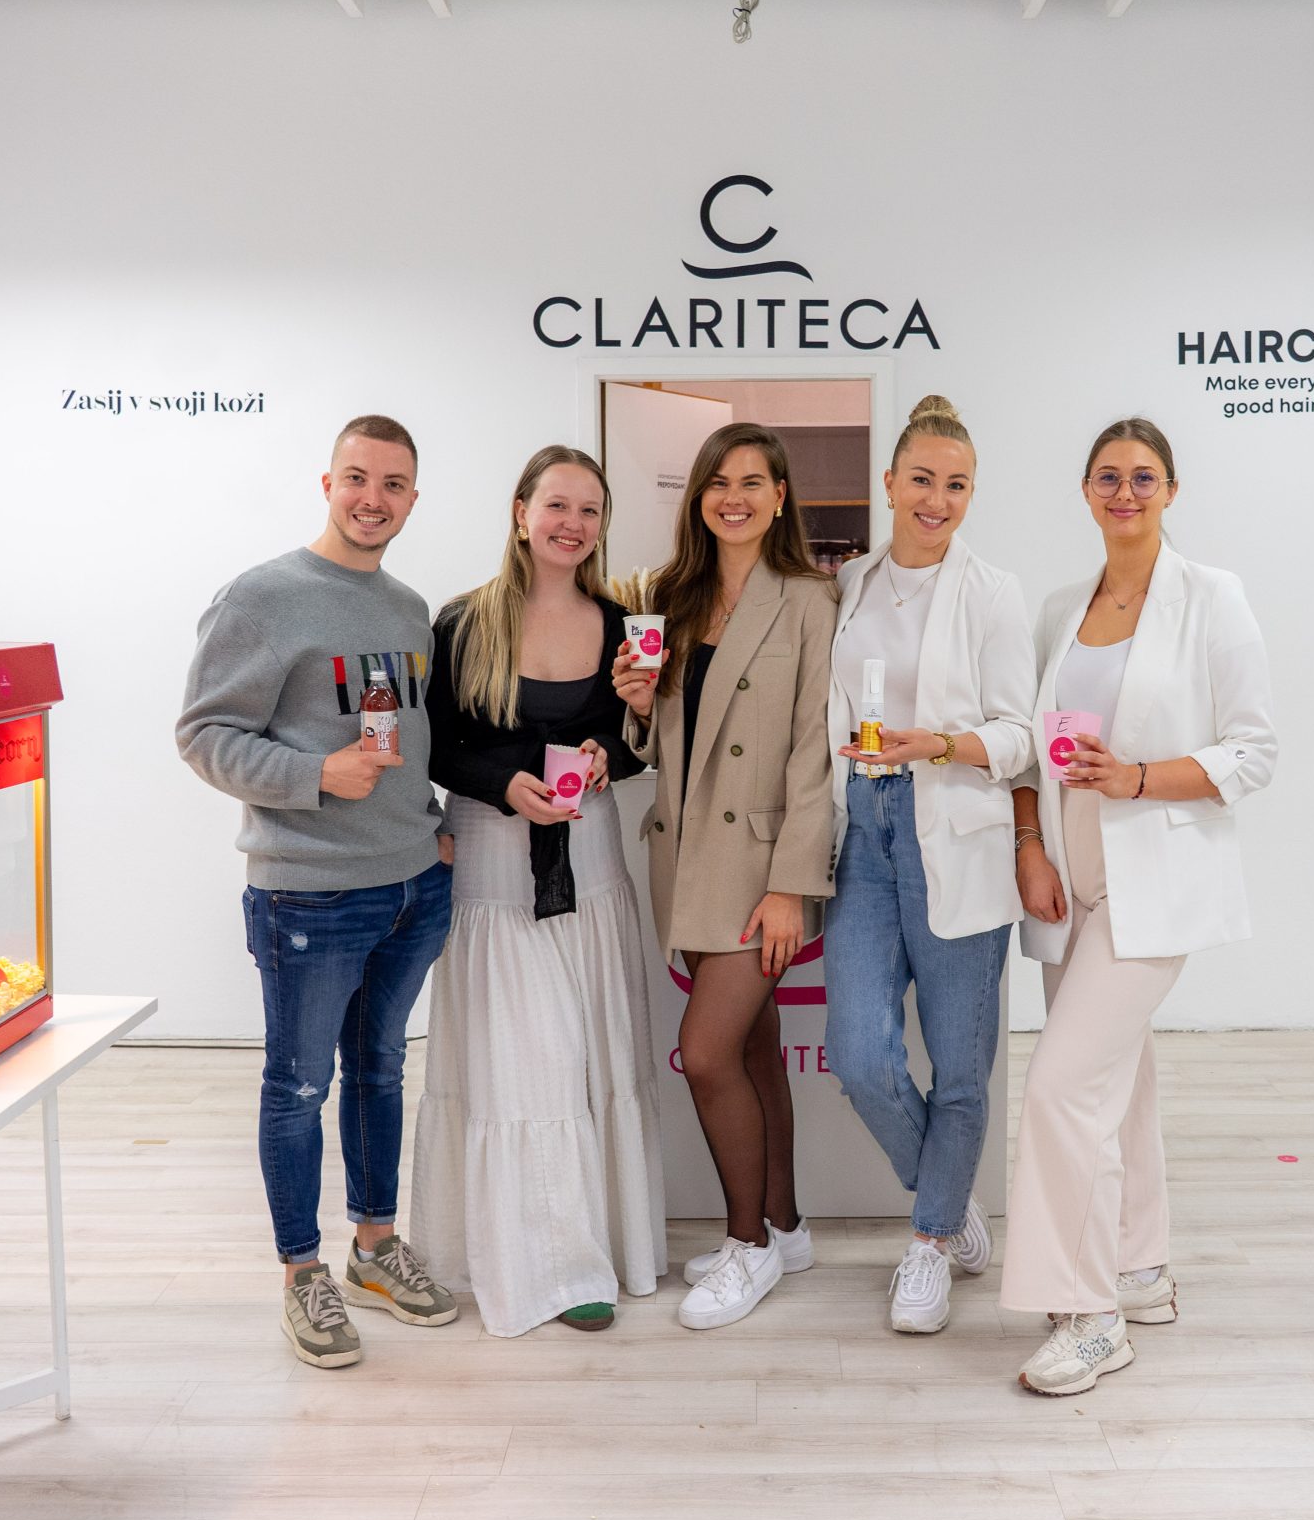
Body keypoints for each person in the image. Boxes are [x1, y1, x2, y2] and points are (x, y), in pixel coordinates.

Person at [1000, 416, 1278, 1396]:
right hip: (1066, 880)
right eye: (1108, 477)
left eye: (1144, 477)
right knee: (1117, 1080)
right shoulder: (1059, 607)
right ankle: (1140, 1265)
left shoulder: (1212, 598)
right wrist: (1029, 844)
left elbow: (1254, 751)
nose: (1125, 492)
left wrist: (1139, 777)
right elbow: (1027, 746)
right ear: (1085, 490)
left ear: (1170, 490)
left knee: (1059, 1086)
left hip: (1152, 881)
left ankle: (1090, 1317)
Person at [176, 413, 460, 1372]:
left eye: (393, 484)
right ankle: (303, 1272)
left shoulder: (408, 609)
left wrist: (431, 827)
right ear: (327, 482)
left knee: (381, 1069)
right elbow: (203, 734)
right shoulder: (261, 597)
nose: (374, 499)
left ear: (412, 499)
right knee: (298, 1085)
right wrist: (314, 776)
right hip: (309, 896)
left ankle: (374, 1247)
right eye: (358, 478)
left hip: (411, 887)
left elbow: (408, 738)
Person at [412, 445, 667, 1335]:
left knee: (591, 1057)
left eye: (590, 510)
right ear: (521, 512)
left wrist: (611, 749)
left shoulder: (622, 621)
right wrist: (501, 784)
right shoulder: (462, 621)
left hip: (591, 866)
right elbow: (435, 744)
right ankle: (549, 1267)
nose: (573, 524)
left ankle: (597, 1243)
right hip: (493, 867)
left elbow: (634, 739)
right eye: (557, 504)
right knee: (530, 1065)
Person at [612, 421, 836, 1331]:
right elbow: (662, 746)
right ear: (698, 495)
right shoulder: (671, 596)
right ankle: (785, 1226)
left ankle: (747, 1247)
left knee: (706, 1054)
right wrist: (637, 708)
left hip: (759, 867)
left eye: (752, 481)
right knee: (750, 1049)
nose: (732, 497)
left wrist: (793, 883)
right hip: (686, 855)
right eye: (717, 481)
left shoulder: (811, 599)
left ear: (780, 496)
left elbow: (816, 750)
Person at [822, 395, 1035, 1334]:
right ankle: (947, 1199)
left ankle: (929, 1241)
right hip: (863, 826)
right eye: (921, 480)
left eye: (956, 485)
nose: (936, 500)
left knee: (959, 1069)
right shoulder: (851, 583)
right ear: (890, 482)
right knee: (859, 1053)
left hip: (955, 827)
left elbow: (1022, 734)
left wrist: (939, 744)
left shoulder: (993, 591)